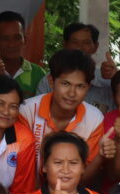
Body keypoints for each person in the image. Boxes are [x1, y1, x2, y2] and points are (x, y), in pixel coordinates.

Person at [20, 49, 105, 184]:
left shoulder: (95, 119)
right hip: (26, 190)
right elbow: (18, 163)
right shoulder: (26, 111)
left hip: (71, 192)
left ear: (88, 87)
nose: (72, 93)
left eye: (80, 86)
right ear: (51, 81)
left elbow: (84, 172)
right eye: (65, 84)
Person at [35, 23, 113, 112]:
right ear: (65, 44)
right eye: (74, 42)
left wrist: (115, 76)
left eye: (86, 43)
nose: (80, 47)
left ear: (95, 46)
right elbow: (37, 111)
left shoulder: (107, 81)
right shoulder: (49, 80)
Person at [0, 10, 46, 98]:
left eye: (17, 38)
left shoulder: (39, 75)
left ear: (25, 40)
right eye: (5, 39)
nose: (11, 44)